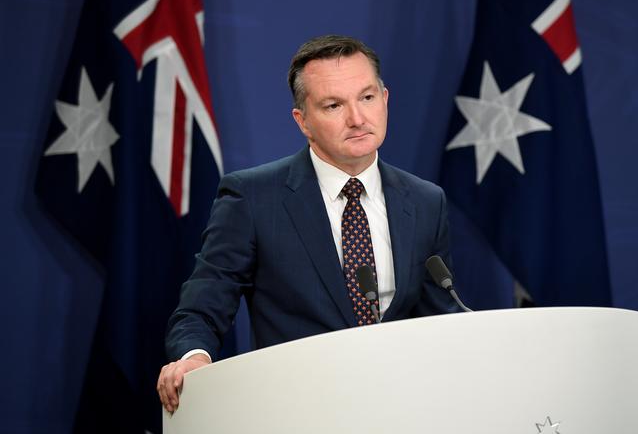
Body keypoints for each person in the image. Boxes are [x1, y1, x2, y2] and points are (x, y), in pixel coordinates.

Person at [157, 35, 458, 412]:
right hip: (296, 410)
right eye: (334, 105)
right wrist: (194, 357)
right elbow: (203, 305)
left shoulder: (426, 201)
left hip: (397, 409)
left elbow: (439, 318)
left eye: (366, 98)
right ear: (303, 121)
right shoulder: (253, 198)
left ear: (385, 99)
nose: (357, 118)